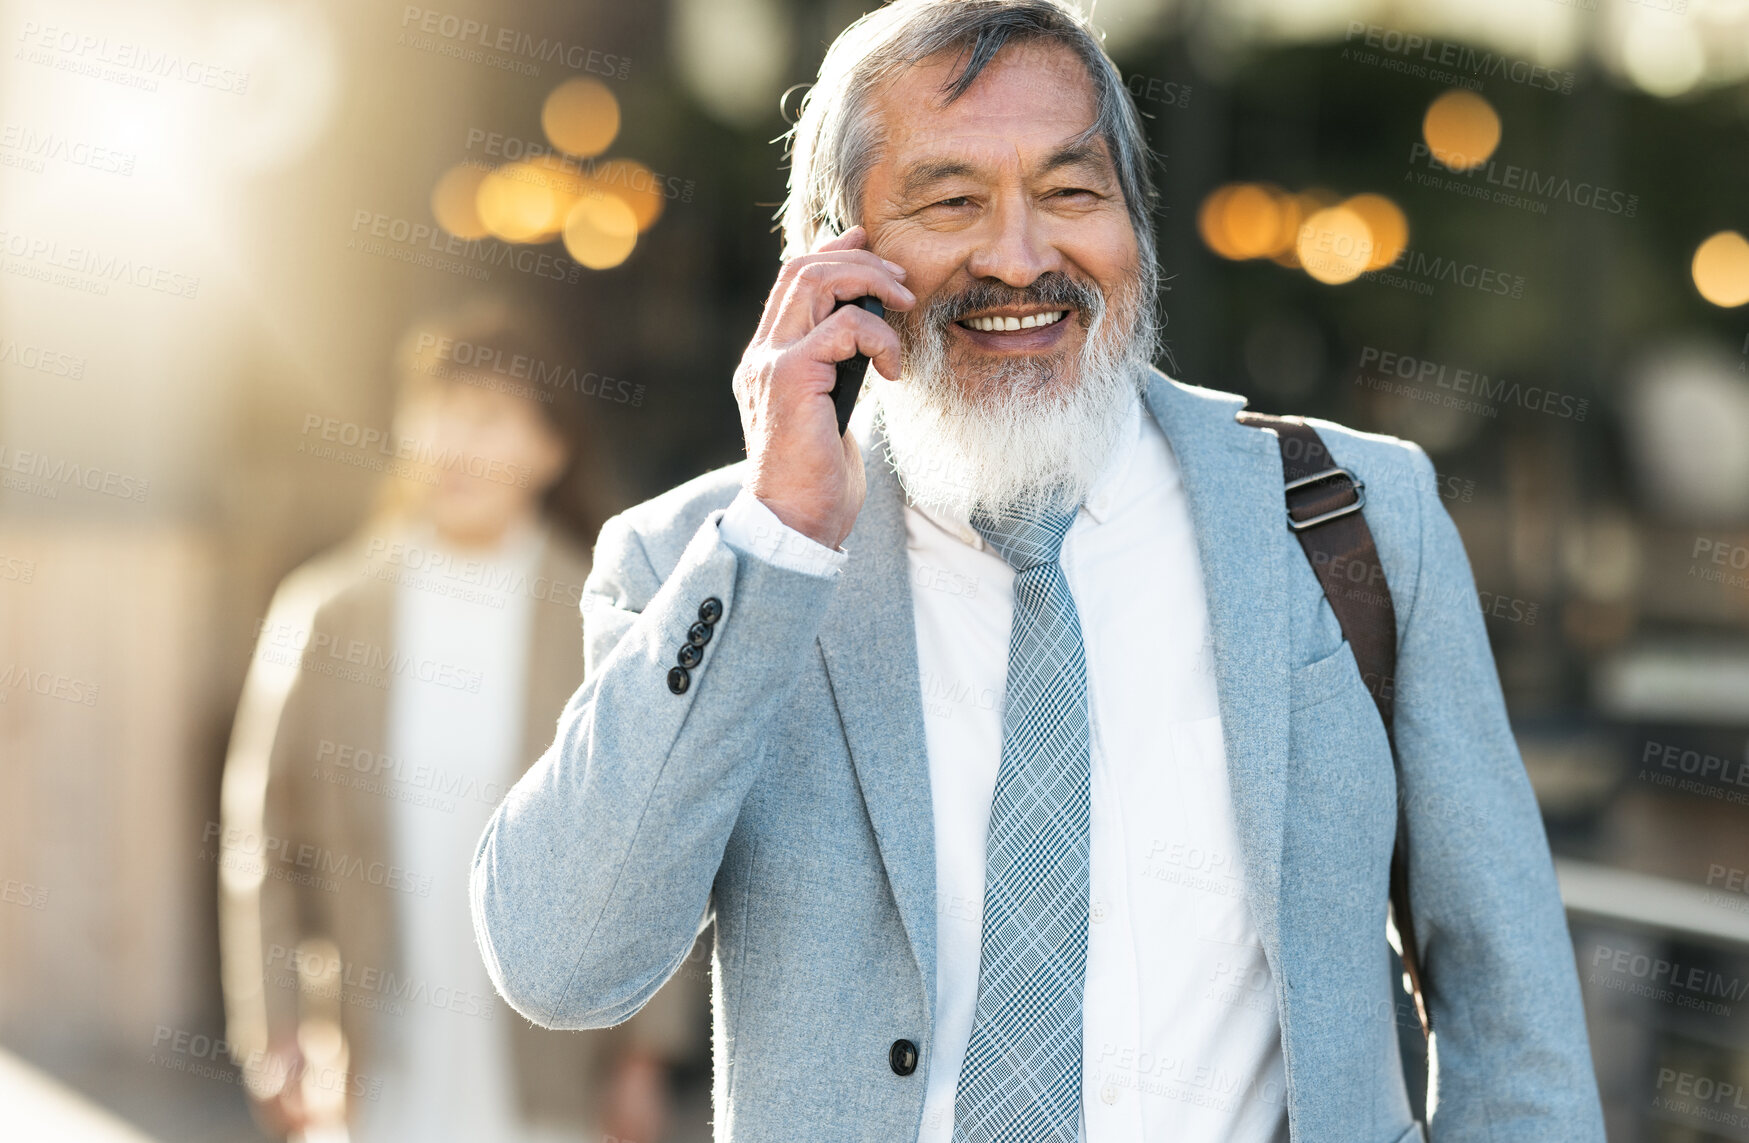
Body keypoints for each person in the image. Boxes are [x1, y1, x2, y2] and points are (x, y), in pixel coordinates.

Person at [469, 3, 1605, 1140]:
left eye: (1071, 193)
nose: (1020, 257)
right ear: (827, 257)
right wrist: (779, 539)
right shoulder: (702, 564)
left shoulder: (1356, 515)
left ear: (1134, 226)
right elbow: (563, 961)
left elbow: (1515, 1019)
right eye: (952, 200)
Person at [219, 303, 699, 1142]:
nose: (454, 440)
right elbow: (263, 837)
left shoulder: (613, 613)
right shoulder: (331, 610)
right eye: (436, 410)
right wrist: (277, 1028)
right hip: (372, 1061)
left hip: (556, 1069)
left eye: (487, 416)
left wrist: (641, 1056)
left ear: (550, 448)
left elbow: (655, 834)